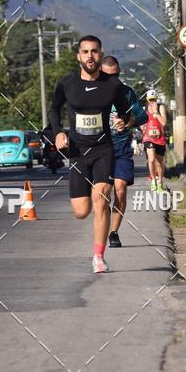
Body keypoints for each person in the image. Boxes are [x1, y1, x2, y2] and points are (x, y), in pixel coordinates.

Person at [49, 35, 131, 273]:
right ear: (79, 56)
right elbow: (54, 109)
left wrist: (123, 121)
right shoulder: (67, 83)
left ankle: (98, 257)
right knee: (81, 211)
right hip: (77, 152)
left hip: (103, 149)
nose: (90, 56)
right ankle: (96, 248)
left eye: (94, 51)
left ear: (100, 54)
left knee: (102, 198)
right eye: (85, 52)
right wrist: (58, 133)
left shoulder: (112, 85)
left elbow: (125, 111)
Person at [101, 55, 148, 248]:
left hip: (121, 148)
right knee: (103, 194)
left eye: (116, 75)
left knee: (120, 190)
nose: (113, 80)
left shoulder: (127, 93)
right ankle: (102, 227)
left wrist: (129, 123)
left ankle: (113, 232)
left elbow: (142, 116)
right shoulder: (93, 93)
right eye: (108, 76)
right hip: (100, 150)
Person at [142, 88, 168, 192]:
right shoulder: (144, 109)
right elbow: (140, 122)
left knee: (160, 163)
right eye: (150, 99)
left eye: (154, 99)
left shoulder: (161, 108)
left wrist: (156, 113)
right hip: (148, 138)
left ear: (156, 99)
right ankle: (153, 180)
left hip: (159, 138)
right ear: (147, 99)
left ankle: (160, 181)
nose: (152, 101)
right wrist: (141, 126)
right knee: (151, 159)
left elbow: (164, 123)